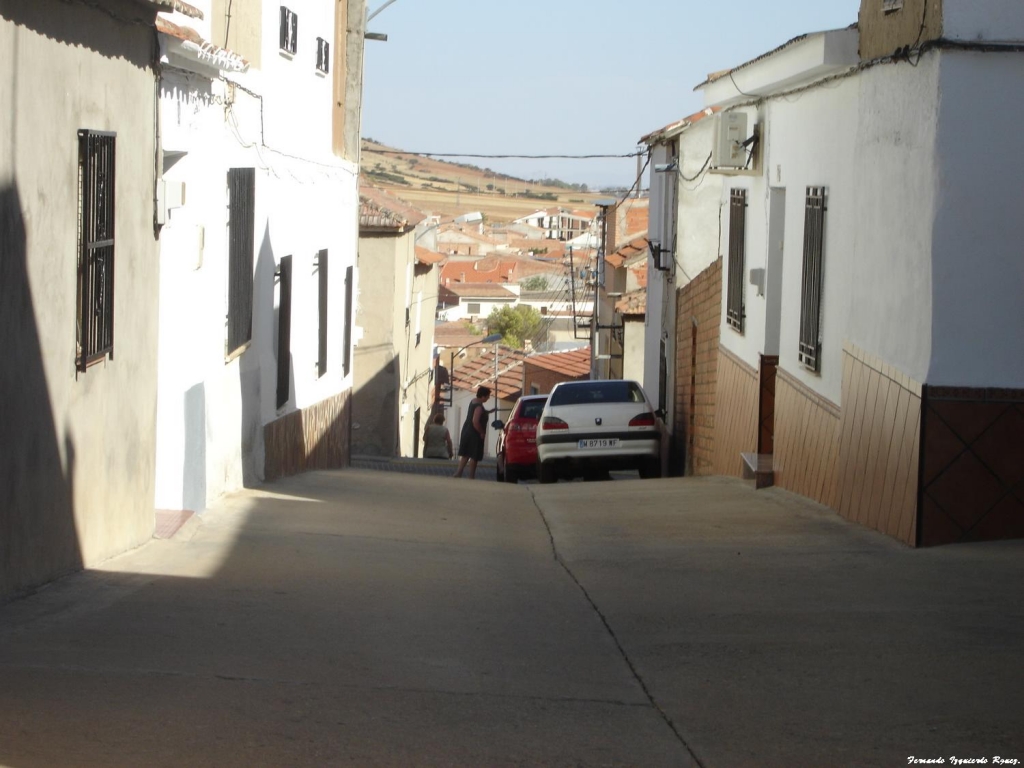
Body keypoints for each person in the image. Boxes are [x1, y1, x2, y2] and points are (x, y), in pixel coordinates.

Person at [453, 386, 491, 479]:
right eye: (487, 396)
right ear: (483, 396)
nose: (488, 398)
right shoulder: (479, 407)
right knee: (474, 456)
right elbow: (475, 421)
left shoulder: (473, 401)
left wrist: (487, 412)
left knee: (466, 454)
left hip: (467, 431)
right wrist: (481, 432)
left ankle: (458, 473)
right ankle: (471, 476)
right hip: (474, 434)